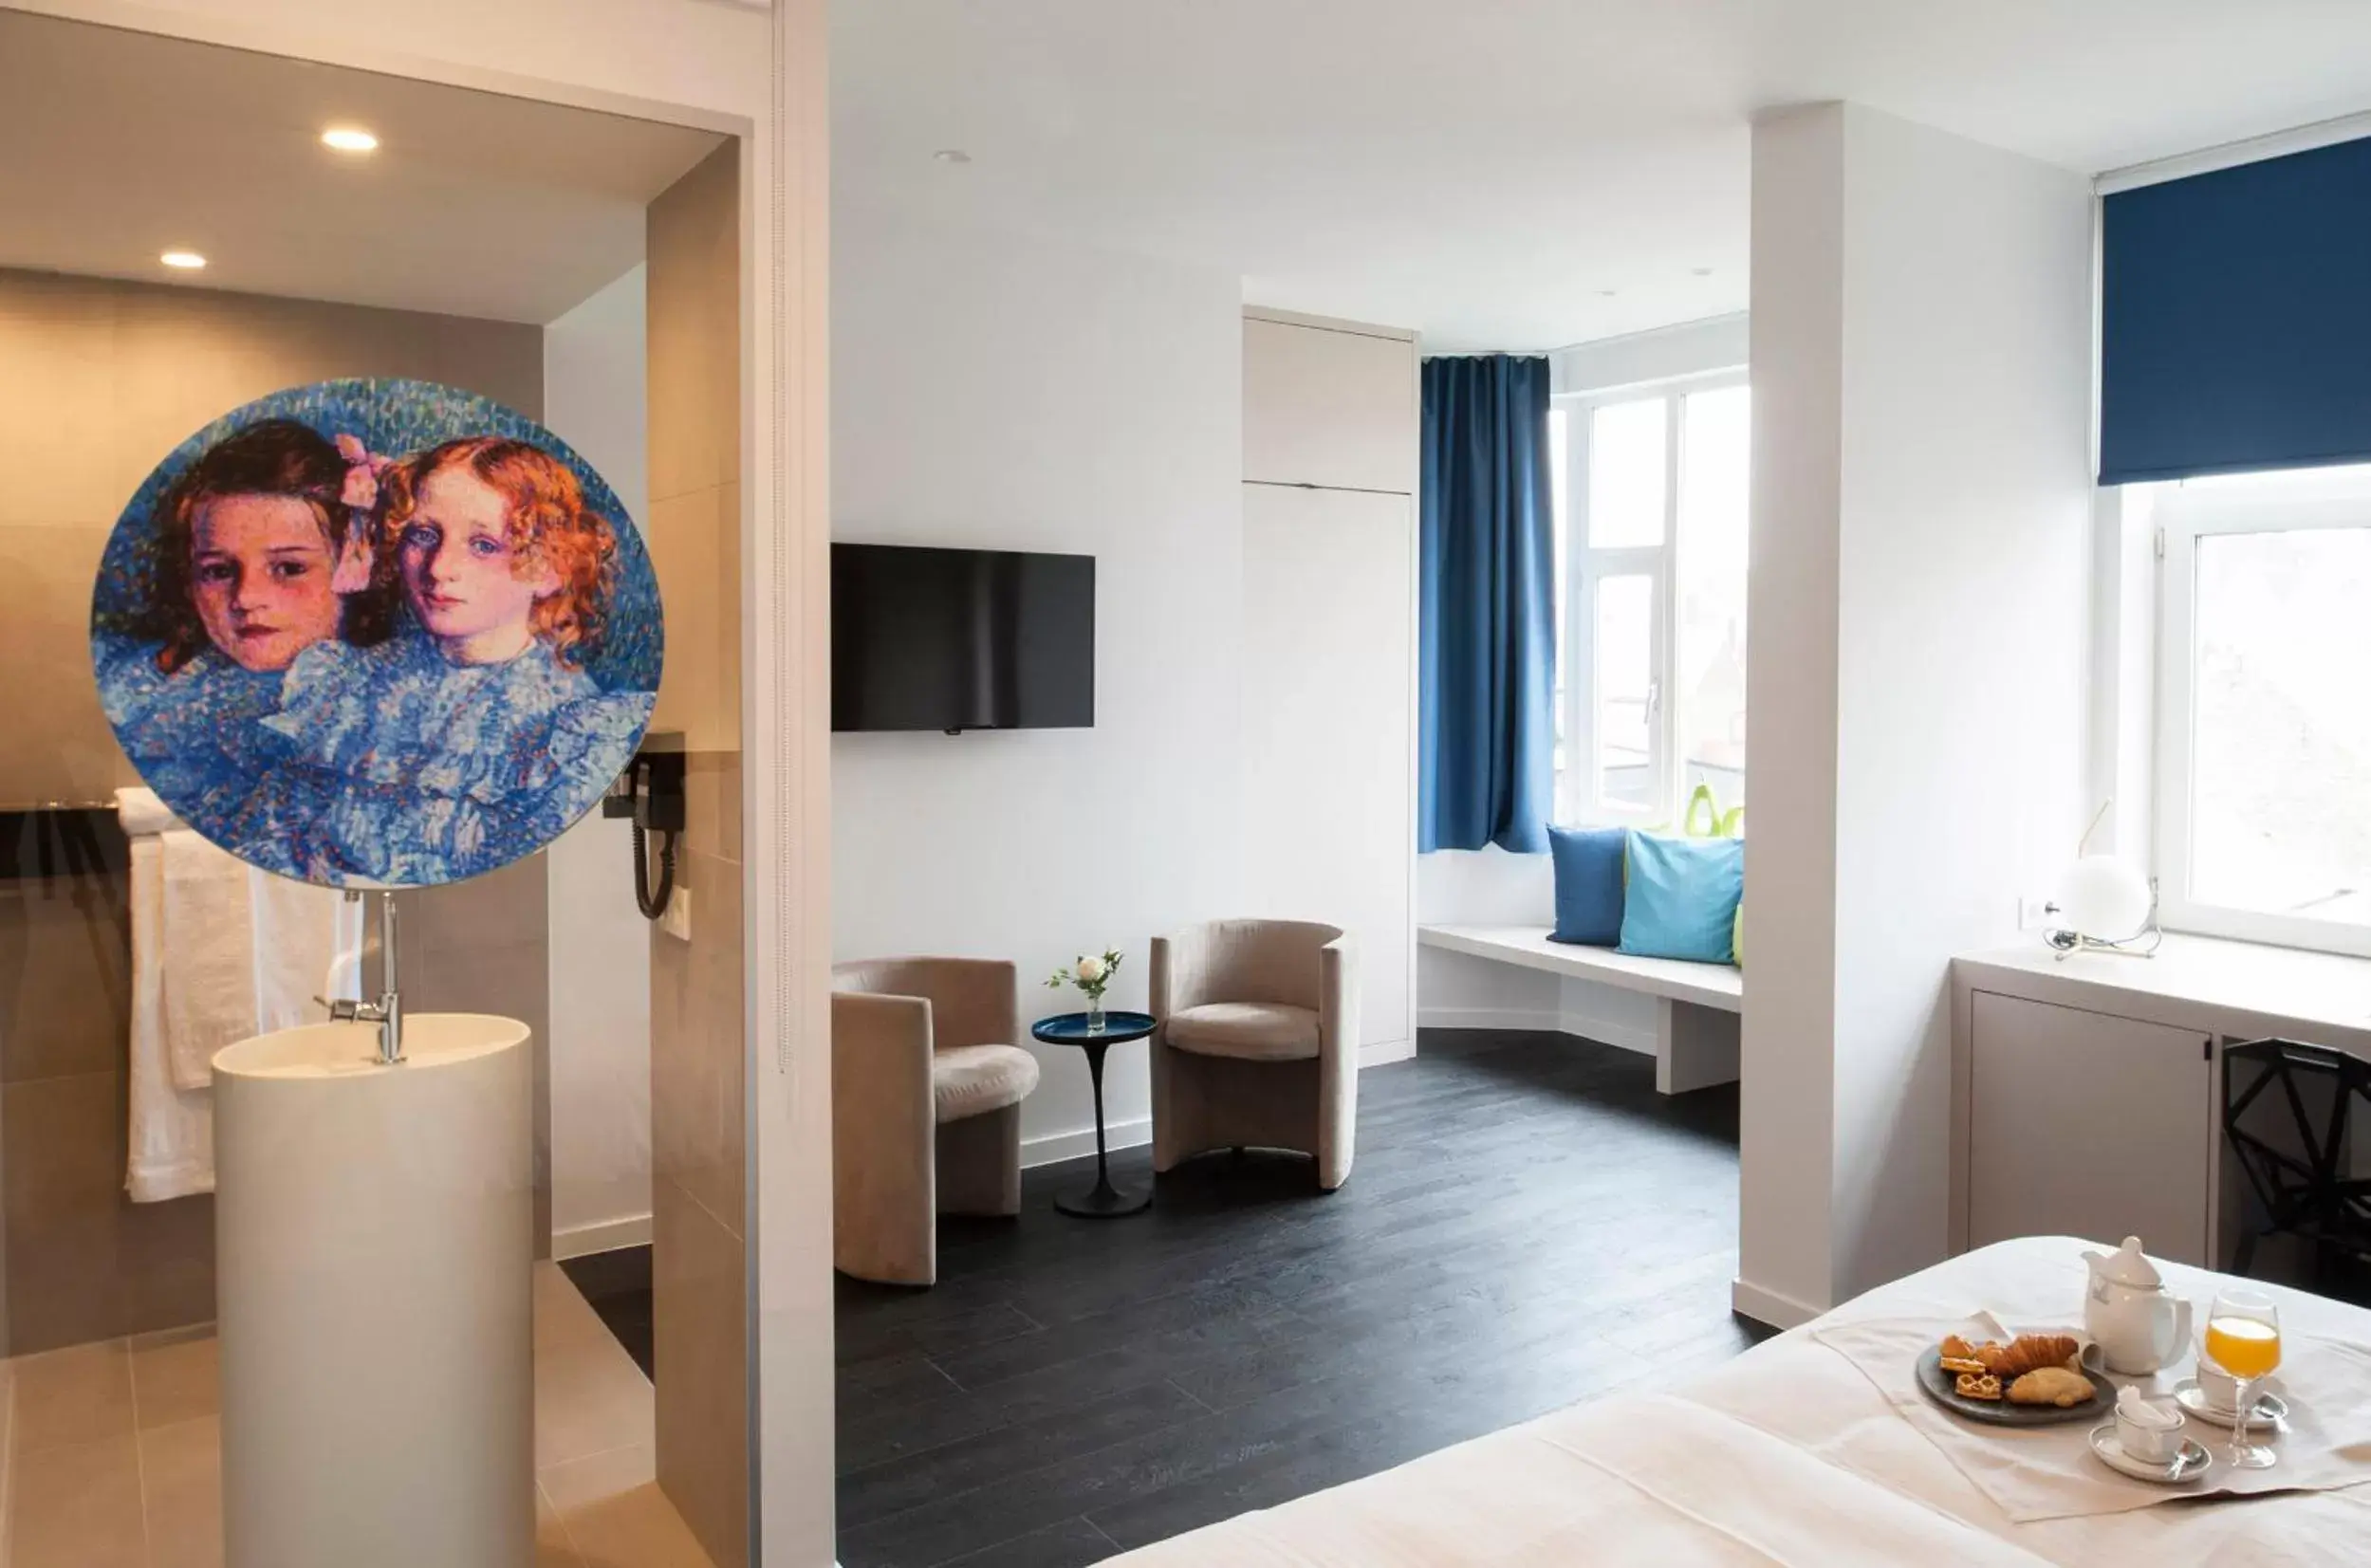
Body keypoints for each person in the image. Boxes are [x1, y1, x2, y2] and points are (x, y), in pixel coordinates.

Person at [253, 436, 656, 883]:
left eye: (483, 545)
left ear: (548, 568)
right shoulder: (344, 682)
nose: (439, 567)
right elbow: (275, 839)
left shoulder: (576, 731)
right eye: (423, 535)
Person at [95, 419, 388, 835]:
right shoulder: (140, 691)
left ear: (355, 563)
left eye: (289, 568)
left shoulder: (389, 707)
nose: (247, 598)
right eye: (218, 571)